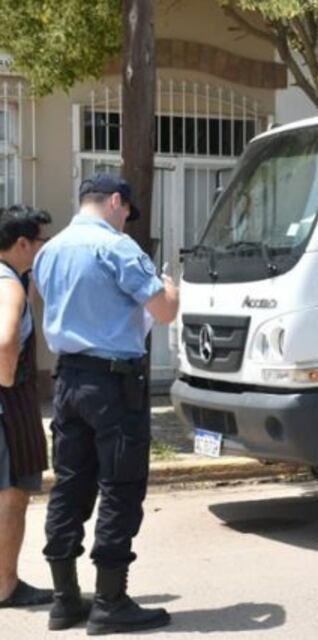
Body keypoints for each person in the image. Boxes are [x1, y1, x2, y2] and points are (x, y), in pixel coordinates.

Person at [33, 175, 180, 634]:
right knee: (120, 486)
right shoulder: (116, 248)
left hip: (68, 379)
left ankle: (64, 601)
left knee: (70, 486)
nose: (124, 221)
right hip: (114, 385)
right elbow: (164, 312)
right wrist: (171, 287)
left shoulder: (49, 250)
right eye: (125, 212)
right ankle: (111, 602)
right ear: (116, 202)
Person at [0, 205, 54, 609]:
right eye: (41, 242)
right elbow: (6, 342)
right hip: (8, 405)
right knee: (12, 495)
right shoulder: (9, 286)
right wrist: (6, 381)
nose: (43, 248)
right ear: (22, 243)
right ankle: (4, 586)